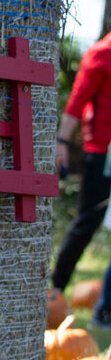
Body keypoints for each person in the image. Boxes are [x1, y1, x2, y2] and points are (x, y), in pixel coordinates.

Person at [52, 31, 111, 328]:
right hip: (103, 154)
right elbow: (77, 102)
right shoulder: (103, 53)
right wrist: (61, 141)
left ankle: (106, 307)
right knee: (87, 222)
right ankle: (55, 289)